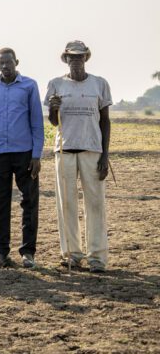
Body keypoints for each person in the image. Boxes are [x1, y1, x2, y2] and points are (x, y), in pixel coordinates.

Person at [46, 40, 112, 273]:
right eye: (71, 57)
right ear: (66, 59)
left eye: (80, 56)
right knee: (66, 205)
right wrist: (53, 108)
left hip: (92, 150)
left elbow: (105, 121)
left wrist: (105, 155)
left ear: (86, 58)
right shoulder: (55, 84)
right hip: (64, 150)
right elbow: (53, 122)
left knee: (95, 204)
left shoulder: (99, 84)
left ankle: (97, 258)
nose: (76, 60)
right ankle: (72, 255)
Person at [0, 48, 44, 269]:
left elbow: (37, 121)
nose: (5, 66)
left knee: (29, 202)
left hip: (25, 153)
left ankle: (28, 252)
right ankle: (1, 252)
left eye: (9, 62)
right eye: (1, 63)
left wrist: (36, 155)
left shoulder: (29, 85)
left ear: (16, 62)